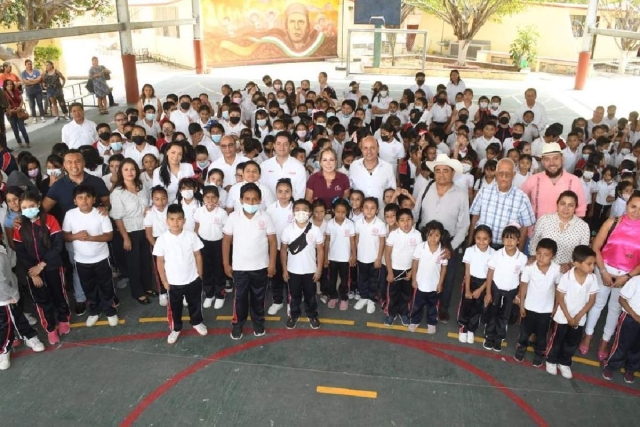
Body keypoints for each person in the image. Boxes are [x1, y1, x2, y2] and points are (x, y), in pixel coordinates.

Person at [581, 191, 640, 360]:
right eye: (633, 206)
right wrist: (604, 272)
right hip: (604, 269)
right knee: (597, 304)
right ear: (627, 205)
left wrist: (626, 277)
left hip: (628, 276)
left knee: (615, 309)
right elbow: (596, 247)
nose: (636, 211)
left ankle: (605, 341)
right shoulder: (612, 222)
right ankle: (588, 336)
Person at [416, 154, 469, 322]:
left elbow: (464, 225)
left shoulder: (461, 194)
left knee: (447, 276)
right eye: (437, 170)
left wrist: (451, 246)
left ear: (452, 173)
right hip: (426, 240)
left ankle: (443, 308)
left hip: (447, 241)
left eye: (445, 171)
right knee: (424, 272)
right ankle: (421, 303)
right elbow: (416, 212)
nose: (441, 174)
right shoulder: (426, 188)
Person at [13, 192, 70, 345]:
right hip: (33, 272)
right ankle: (50, 328)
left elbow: (57, 245)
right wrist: (33, 272)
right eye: (24, 207)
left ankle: (64, 319)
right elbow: (21, 252)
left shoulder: (50, 220)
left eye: (31, 206)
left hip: (52, 267)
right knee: (42, 300)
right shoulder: (19, 226)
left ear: (38, 204)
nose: (28, 209)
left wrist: (42, 264)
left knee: (59, 294)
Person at [222, 183, 277, 340]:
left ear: (260, 200)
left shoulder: (265, 217)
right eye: (247, 199)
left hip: (260, 266)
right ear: (241, 200)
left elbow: (273, 242)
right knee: (240, 298)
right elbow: (226, 241)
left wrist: (272, 264)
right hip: (239, 268)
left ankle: (258, 322)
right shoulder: (233, 217)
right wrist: (226, 264)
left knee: (258, 297)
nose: (251, 203)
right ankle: (237, 324)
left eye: (254, 200)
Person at [62, 185, 117, 327]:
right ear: (75, 201)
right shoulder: (70, 214)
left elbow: (109, 236)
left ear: (94, 200)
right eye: (80, 198)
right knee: (88, 287)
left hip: (101, 258)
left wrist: (90, 238)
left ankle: (110, 310)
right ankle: (94, 311)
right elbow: (65, 236)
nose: (84, 200)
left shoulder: (101, 213)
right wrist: (77, 236)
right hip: (81, 260)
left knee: (106, 285)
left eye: (87, 197)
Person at [154, 204, 207, 344]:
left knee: (195, 303)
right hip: (173, 282)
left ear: (184, 220)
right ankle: (176, 328)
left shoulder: (191, 235)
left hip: (192, 279)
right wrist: (164, 281)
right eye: (172, 219)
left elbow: (198, 256)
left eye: (178, 219)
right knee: (175, 307)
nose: (175, 222)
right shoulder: (162, 239)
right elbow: (159, 262)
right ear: (167, 221)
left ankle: (196, 322)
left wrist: (199, 274)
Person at [546, 245, 599, 379]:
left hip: (579, 319)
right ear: (576, 263)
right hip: (562, 317)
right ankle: (551, 360)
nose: (592, 267)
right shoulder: (567, 277)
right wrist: (569, 317)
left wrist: (578, 317)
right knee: (557, 339)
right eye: (589, 264)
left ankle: (564, 362)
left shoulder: (592, 279)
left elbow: (591, 300)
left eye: (594, 264)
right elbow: (560, 298)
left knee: (572, 342)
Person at [110, 158, 155, 304]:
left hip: (145, 229)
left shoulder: (142, 187)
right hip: (129, 232)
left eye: (132, 169)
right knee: (134, 264)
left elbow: (148, 204)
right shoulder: (117, 192)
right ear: (120, 172)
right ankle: (137, 292)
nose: (130, 172)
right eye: (126, 169)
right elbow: (117, 218)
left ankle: (147, 287)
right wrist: (125, 238)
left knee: (146, 261)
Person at [514, 238, 562, 366]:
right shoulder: (530, 268)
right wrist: (522, 305)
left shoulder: (557, 270)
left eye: (546, 255)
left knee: (542, 334)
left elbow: (558, 289)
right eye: (539, 253)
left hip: (546, 310)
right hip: (529, 307)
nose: (541, 258)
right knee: (525, 331)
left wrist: (556, 306)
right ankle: (521, 347)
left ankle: (539, 352)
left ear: (553, 256)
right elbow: (523, 285)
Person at [469, 158, 535, 250]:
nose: (504, 176)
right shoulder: (484, 192)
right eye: (500, 173)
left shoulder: (522, 198)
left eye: (508, 174)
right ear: (496, 174)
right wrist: (469, 244)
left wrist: (518, 252)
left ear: (514, 175)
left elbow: (525, 228)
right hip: (483, 245)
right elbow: (474, 219)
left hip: (507, 249)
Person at [281, 198, 324, 330]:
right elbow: (283, 250)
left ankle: (312, 314)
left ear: (310, 213)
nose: (301, 213)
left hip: (310, 270)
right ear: (293, 212)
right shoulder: (287, 229)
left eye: (304, 210)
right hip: (293, 270)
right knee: (294, 295)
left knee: (311, 295)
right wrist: (284, 270)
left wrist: (319, 270)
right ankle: (294, 314)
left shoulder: (315, 230)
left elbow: (321, 251)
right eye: (297, 210)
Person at [483, 225, 528, 352]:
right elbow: (490, 273)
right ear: (502, 240)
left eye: (512, 239)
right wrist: (488, 292)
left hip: (511, 290)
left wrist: (519, 294)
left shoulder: (522, 258)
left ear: (518, 241)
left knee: (505, 316)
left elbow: (523, 278)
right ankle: (489, 336)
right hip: (496, 288)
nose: (509, 242)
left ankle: (499, 338)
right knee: (493, 313)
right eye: (506, 239)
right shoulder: (497, 255)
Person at [521, 142, 587, 222]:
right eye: (547, 159)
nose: (552, 163)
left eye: (556, 158)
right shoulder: (533, 179)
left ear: (562, 159)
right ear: (542, 162)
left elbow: (581, 210)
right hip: (535, 232)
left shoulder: (574, 181)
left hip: (563, 233)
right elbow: (520, 201)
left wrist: (568, 230)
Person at [529, 191, 591, 272]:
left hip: (565, 271)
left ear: (575, 207)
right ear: (557, 204)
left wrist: (570, 264)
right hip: (542, 267)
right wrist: (534, 256)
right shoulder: (545, 220)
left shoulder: (583, 226)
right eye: (562, 204)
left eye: (571, 205)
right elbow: (534, 241)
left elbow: (582, 253)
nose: (566, 208)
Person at [457, 225, 495, 344]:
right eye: (478, 238)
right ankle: (463, 327)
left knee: (478, 307)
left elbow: (490, 274)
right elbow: (467, 271)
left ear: (490, 239)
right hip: (470, 281)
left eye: (485, 238)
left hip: (484, 283)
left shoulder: (494, 253)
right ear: (474, 238)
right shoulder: (469, 251)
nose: (481, 241)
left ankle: (471, 329)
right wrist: (467, 289)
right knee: (466, 305)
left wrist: (481, 289)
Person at [409, 220, 448, 334]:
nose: (433, 238)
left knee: (433, 306)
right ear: (426, 234)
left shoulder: (443, 251)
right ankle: (415, 320)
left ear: (441, 236)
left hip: (434, 285)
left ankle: (431, 323)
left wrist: (440, 283)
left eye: (437, 235)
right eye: (430, 235)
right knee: (417, 305)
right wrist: (413, 279)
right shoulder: (420, 247)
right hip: (420, 284)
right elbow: (415, 263)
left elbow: (444, 268)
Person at [384, 208, 421, 326]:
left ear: (413, 221)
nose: (406, 223)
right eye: (402, 220)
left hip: (409, 270)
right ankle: (391, 313)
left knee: (407, 294)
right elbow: (387, 253)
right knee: (393, 294)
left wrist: (412, 272)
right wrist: (390, 272)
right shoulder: (393, 235)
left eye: (409, 219)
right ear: (397, 223)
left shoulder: (417, 235)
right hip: (394, 269)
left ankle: (404, 313)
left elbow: (419, 256)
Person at [194, 185, 228, 309]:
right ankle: (209, 294)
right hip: (203, 243)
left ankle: (220, 294)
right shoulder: (198, 211)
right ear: (203, 199)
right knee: (206, 269)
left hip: (218, 243)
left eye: (214, 198)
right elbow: (196, 227)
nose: (210, 200)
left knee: (218, 270)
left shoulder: (222, 213)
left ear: (218, 199)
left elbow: (226, 231)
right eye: (207, 197)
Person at [602, 275, 640, 383]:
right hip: (630, 318)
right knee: (622, 344)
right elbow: (622, 299)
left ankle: (631, 369)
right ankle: (611, 366)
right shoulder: (636, 281)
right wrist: (635, 315)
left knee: (638, 347)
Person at [265, 178, 294, 315]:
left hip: (293, 250)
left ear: (292, 192)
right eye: (280, 192)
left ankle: (291, 302)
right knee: (275, 277)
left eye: (287, 191)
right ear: (276, 192)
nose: (283, 195)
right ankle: (277, 301)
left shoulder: (296, 208)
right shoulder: (270, 209)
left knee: (291, 277)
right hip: (275, 249)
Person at [354, 197, 386, 314]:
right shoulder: (358, 223)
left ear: (377, 210)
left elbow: (382, 242)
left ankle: (371, 299)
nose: (369, 210)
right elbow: (357, 239)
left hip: (374, 259)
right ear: (362, 209)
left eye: (372, 208)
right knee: (362, 279)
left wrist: (378, 258)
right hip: (362, 257)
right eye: (366, 208)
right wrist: (356, 255)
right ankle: (364, 297)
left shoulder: (380, 224)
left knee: (373, 280)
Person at [323, 197, 355, 310]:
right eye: (338, 212)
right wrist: (326, 257)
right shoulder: (330, 224)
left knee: (345, 280)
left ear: (347, 212)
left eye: (343, 212)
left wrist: (353, 256)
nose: (340, 214)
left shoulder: (350, 224)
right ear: (333, 210)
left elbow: (352, 241)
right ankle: (333, 296)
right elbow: (327, 241)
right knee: (332, 279)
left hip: (345, 259)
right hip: (332, 257)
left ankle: (344, 298)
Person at [348, 136, 396, 207]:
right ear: (361, 150)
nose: (369, 151)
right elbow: (347, 189)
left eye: (372, 148)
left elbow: (393, 192)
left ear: (378, 149)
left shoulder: (388, 167)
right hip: (359, 214)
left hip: (381, 214)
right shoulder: (354, 166)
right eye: (365, 148)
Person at [261, 131, 307, 200]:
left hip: (292, 207)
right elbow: (262, 189)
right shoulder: (264, 165)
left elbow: (300, 193)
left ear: (290, 146)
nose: (282, 147)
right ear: (274, 145)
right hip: (269, 208)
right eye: (278, 144)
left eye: (285, 144)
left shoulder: (299, 167)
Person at [144, 185, 169, 306]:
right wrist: (158, 248)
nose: (160, 202)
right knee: (160, 269)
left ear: (167, 198)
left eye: (163, 198)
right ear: (152, 199)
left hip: (172, 241)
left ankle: (176, 290)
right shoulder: (149, 213)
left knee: (174, 267)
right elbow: (149, 234)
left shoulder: (171, 210)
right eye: (157, 199)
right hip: (157, 242)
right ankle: (163, 292)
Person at [3, 80, 30, 148]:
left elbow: (21, 100)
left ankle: (27, 142)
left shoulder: (16, 91)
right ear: (5, 86)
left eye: (11, 84)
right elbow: (4, 105)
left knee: (22, 128)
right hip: (11, 113)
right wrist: (10, 110)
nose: (10, 86)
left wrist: (20, 107)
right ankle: (19, 142)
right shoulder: (3, 93)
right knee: (15, 129)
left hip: (19, 112)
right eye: (8, 84)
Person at [21, 59, 46, 123]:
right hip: (29, 91)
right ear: (25, 65)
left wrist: (30, 81)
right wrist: (34, 81)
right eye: (28, 64)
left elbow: (38, 80)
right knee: (32, 105)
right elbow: (25, 82)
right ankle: (34, 117)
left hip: (38, 90)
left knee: (40, 103)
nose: (30, 65)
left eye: (31, 64)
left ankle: (42, 116)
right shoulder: (23, 73)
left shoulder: (36, 71)